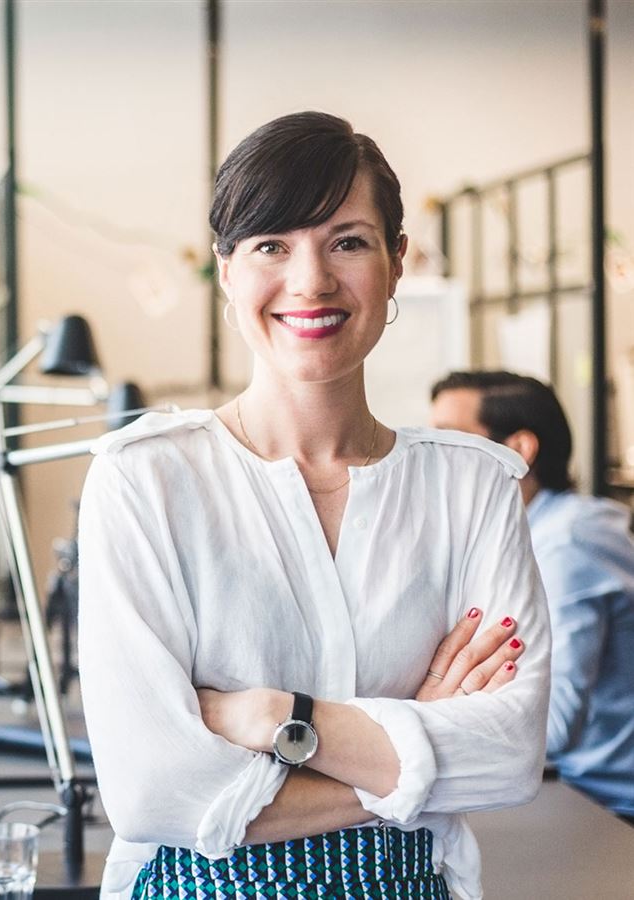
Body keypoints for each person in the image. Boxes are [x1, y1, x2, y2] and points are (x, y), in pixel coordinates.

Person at [78, 112, 550, 900]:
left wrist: (273, 718)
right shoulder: (145, 481)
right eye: (272, 244)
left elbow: (508, 756)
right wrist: (415, 745)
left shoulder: (474, 487)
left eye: (348, 241)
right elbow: (152, 790)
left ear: (396, 263)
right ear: (227, 270)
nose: (311, 280)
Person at [430, 370, 634, 821]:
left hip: (604, 805)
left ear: (520, 450)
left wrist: (431, 713)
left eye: (450, 439)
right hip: (565, 792)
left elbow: (554, 725)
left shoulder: (569, 541)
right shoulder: (519, 533)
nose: (434, 455)